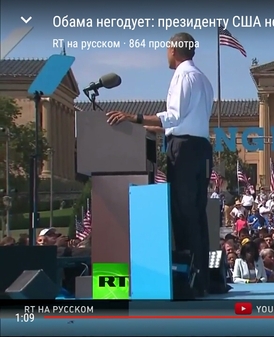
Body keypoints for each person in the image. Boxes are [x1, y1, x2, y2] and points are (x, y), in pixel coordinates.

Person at [106, 32, 214, 298]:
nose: (165, 53)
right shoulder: (203, 79)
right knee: (197, 215)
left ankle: (189, 280)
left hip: (184, 150)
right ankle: (201, 278)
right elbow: (182, 119)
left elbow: (174, 116)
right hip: (200, 147)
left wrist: (135, 116)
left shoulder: (182, 76)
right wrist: (138, 122)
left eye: (167, 48)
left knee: (183, 213)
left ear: (174, 50)